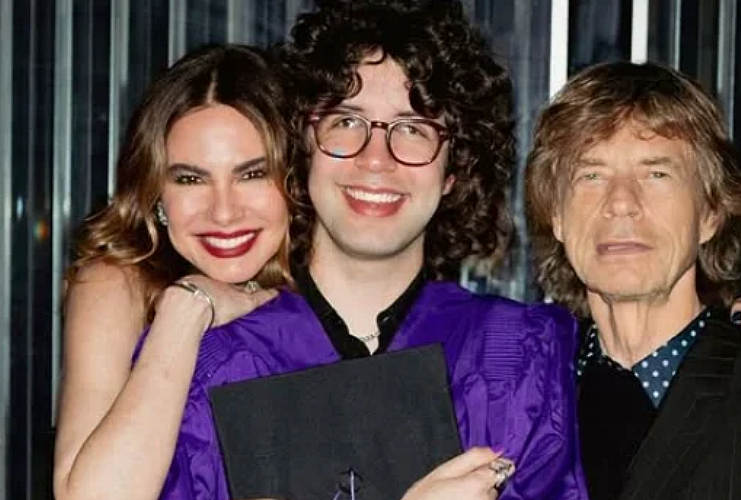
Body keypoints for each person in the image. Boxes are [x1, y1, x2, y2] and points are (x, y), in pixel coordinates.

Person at [157, 1, 587, 499]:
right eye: (346, 121)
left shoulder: (516, 354)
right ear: (301, 145)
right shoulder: (203, 356)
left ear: (454, 169)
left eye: (414, 128)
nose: (376, 159)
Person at [526, 61, 741, 500]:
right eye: (591, 175)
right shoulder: (516, 389)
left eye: (656, 174)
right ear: (556, 215)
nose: (621, 203)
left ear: (710, 212)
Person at [53, 45, 291, 500]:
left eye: (252, 174)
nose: (223, 212)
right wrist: (186, 310)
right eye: (190, 179)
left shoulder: (330, 286)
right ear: (155, 193)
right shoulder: (116, 283)